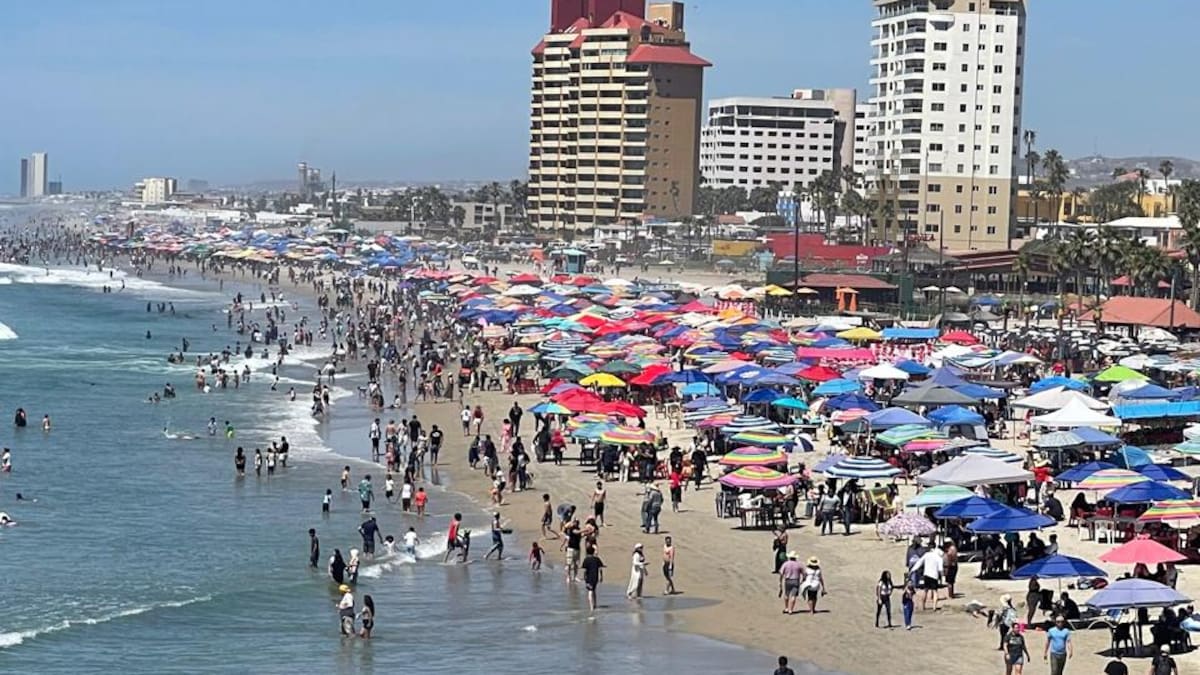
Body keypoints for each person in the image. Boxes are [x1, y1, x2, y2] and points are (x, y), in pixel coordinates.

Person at [909, 541, 943, 611]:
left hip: (927, 574)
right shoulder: (938, 557)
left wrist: (912, 570)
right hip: (934, 575)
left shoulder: (926, 555)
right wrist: (941, 575)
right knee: (935, 591)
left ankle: (923, 606)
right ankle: (934, 607)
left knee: (925, 591)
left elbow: (919, 563)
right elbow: (940, 568)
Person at [778, 551, 803, 615]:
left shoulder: (786, 564)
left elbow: (781, 573)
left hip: (788, 580)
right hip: (796, 580)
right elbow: (804, 573)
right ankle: (791, 610)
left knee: (786, 594)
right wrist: (802, 581)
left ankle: (786, 608)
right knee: (793, 596)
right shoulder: (798, 564)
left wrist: (780, 582)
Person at [581, 544, 604, 612]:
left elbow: (585, 570)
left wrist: (584, 577)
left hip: (589, 578)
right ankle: (595, 604)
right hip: (595, 577)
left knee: (590, 592)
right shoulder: (597, 559)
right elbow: (600, 569)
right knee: (594, 591)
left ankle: (591, 607)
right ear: (593, 551)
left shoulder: (586, 560)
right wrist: (601, 577)